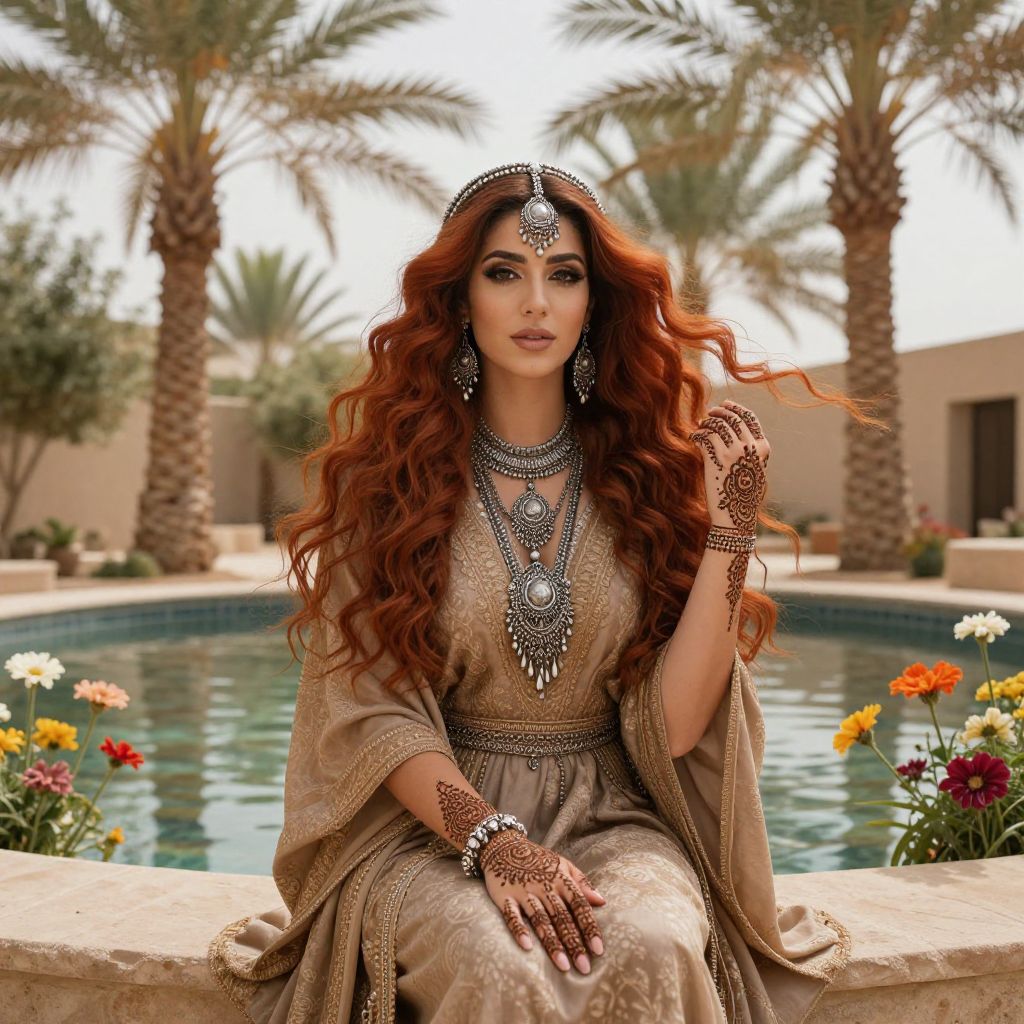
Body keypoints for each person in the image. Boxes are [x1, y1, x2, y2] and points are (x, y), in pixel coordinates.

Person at [208, 161, 862, 1023]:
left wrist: (730, 531)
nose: (536, 302)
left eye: (564, 274)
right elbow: (372, 718)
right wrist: (494, 841)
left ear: (595, 301)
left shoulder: (649, 479)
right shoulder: (389, 487)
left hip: (614, 817)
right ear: (459, 298)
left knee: (658, 943)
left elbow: (671, 730)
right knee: (500, 964)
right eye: (504, 272)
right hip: (432, 829)